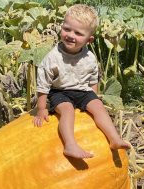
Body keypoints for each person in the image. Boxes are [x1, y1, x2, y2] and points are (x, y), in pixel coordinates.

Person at [33, 4, 131, 159]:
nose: (70, 35)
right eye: (67, 29)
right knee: (67, 110)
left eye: (78, 33)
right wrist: (41, 109)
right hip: (60, 92)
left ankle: (114, 139)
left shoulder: (90, 57)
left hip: (82, 91)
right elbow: (43, 83)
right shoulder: (53, 57)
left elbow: (93, 79)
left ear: (89, 40)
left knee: (98, 106)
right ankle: (70, 145)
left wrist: (93, 99)